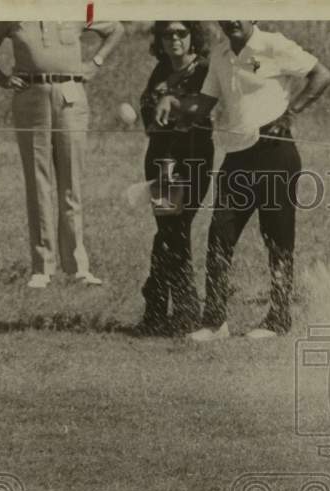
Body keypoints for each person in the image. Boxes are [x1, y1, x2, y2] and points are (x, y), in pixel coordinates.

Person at [155, 20, 330, 341]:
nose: (232, 19)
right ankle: (215, 322)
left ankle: (278, 319)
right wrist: (176, 105)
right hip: (236, 157)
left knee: (277, 239)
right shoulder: (221, 55)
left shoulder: (274, 44)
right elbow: (206, 102)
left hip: (276, 154)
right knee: (220, 235)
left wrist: (289, 113)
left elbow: (321, 75)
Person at [0, 20, 124, 289]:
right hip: (30, 95)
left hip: (71, 95)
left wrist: (96, 62)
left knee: (71, 184)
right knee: (38, 183)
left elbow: (117, 29)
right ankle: (42, 268)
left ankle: (78, 268)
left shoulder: (79, 7)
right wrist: (2, 79)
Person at [135, 21, 215, 336]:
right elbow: (148, 117)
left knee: (175, 229)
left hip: (192, 159)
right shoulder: (160, 70)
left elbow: (204, 107)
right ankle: (169, 311)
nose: (175, 39)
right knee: (170, 230)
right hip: (161, 160)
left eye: (181, 32)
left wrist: (174, 103)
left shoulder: (203, 70)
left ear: (193, 36)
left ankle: (168, 309)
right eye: (168, 34)